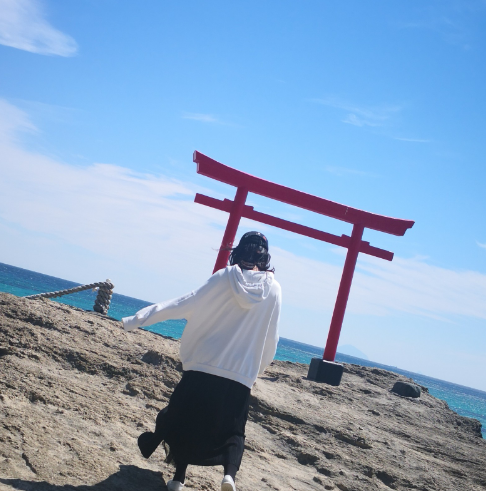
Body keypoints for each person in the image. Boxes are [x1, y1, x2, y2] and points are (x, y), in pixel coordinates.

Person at [122, 231, 282, 491]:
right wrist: (255, 370)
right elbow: (271, 339)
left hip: (203, 368)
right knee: (232, 431)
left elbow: (184, 303)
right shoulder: (274, 290)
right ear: (265, 256)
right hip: (239, 377)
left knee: (184, 420)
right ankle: (228, 476)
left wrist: (138, 319)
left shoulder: (223, 278)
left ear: (239, 250)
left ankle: (178, 479)